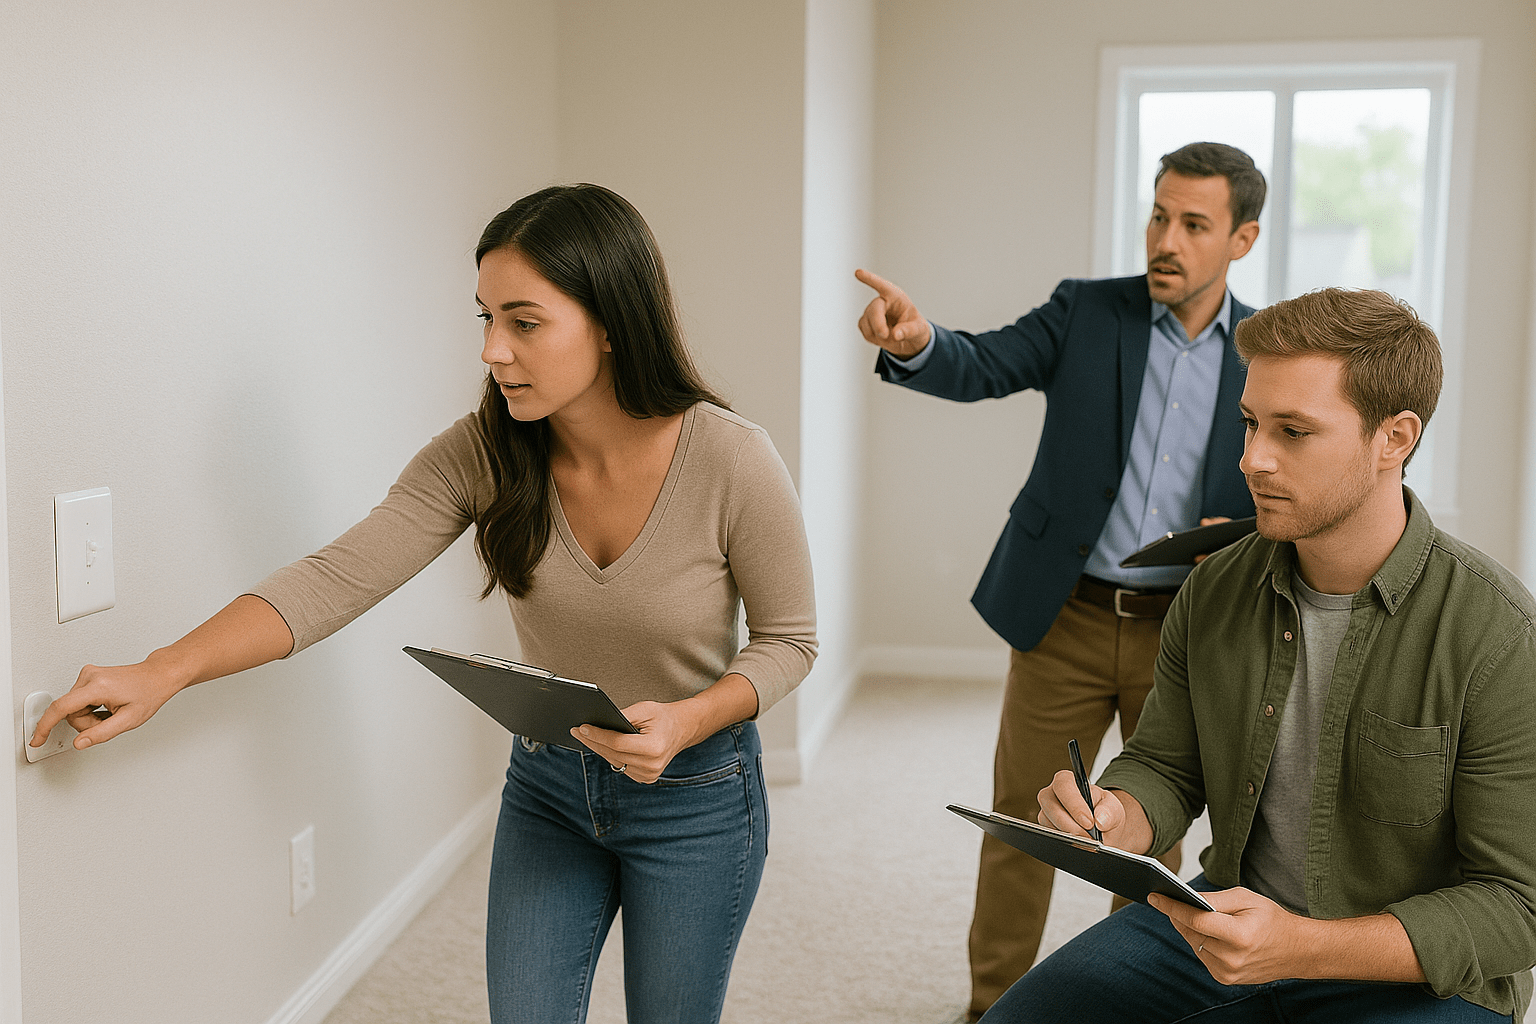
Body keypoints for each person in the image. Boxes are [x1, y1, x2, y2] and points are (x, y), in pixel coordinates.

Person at [30, 184, 818, 1024]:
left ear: (612, 321)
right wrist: (164, 671)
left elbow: (789, 641)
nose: (492, 351)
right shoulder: (483, 452)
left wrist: (690, 721)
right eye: (483, 319)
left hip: (698, 794)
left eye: (524, 322)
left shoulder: (732, 459)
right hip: (549, 788)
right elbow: (338, 575)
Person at [989, 287, 1536, 1023]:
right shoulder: (1214, 588)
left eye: (1293, 432)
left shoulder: (1498, 634)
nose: (1252, 459)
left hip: (1412, 976)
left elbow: (1517, 906)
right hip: (1221, 928)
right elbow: (1167, 767)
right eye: (1249, 423)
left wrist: (1302, 946)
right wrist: (1118, 816)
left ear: (1394, 439)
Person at [856, 142, 1264, 1019]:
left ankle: (1122, 1004)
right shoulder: (1087, 312)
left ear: (1242, 239)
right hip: (1066, 617)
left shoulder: (1263, 353)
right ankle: (993, 1007)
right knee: (1025, 822)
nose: (1166, 237)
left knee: (1148, 839)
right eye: (1159, 215)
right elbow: (984, 362)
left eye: (1194, 223)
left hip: (1185, 632)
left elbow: (1284, 482)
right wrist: (920, 342)